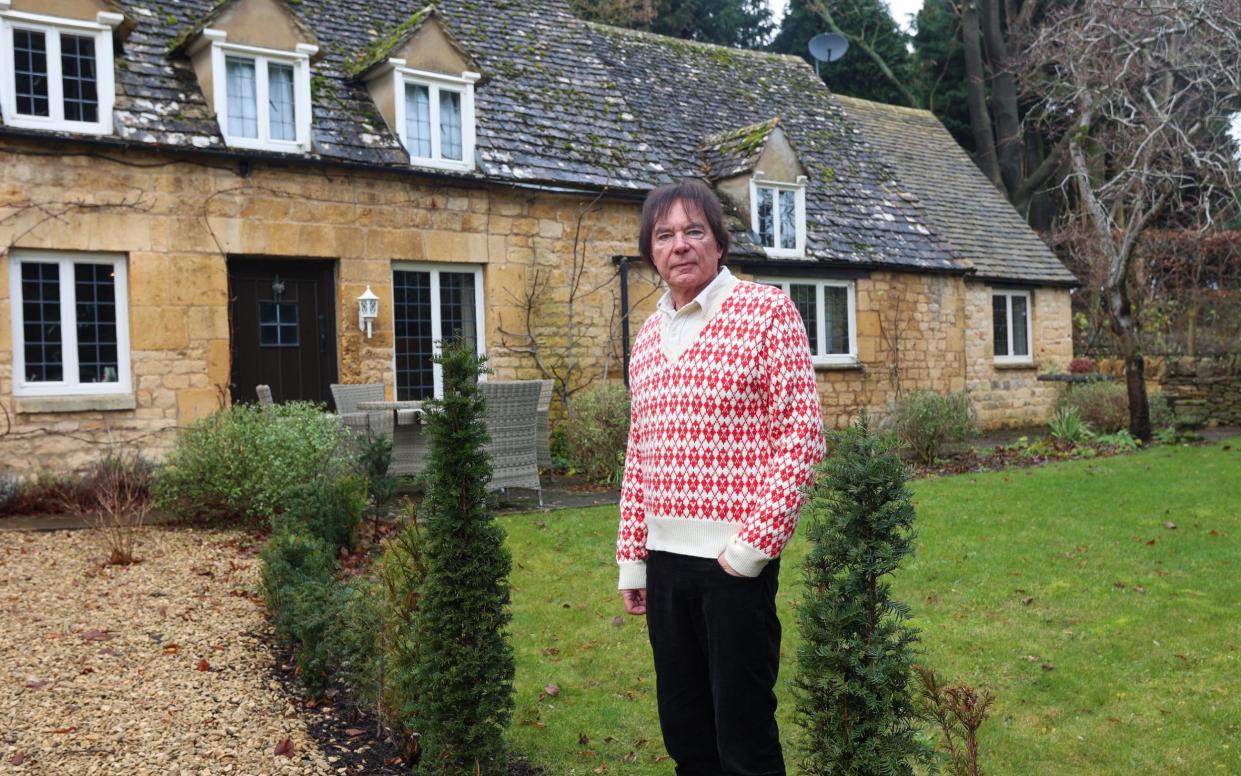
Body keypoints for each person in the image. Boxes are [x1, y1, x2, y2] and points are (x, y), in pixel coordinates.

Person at [617, 178, 826, 776]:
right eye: (664, 235)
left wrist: (752, 549)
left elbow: (803, 435)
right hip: (664, 566)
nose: (679, 245)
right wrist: (633, 557)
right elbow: (642, 451)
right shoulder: (649, 336)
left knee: (744, 742)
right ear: (650, 251)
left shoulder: (765, 312)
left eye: (693, 231)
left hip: (733, 566)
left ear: (718, 242)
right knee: (686, 735)